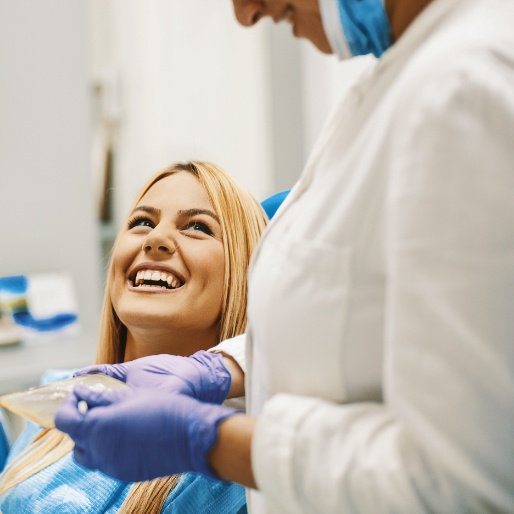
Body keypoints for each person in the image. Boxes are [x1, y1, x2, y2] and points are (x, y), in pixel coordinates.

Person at [55, 0, 514, 512]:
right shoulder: (400, 77)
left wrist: (209, 440)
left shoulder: (469, 87)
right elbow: (361, 325)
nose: (245, 14)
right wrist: (224, 367)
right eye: (140, 220)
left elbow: (467, 482)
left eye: (199, 227)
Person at [0, 160, 268, 513]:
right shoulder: (56, 398)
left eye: (198, 227)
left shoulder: (242, 466)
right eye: (142, 222)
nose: (156, 239)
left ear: (245, 273)